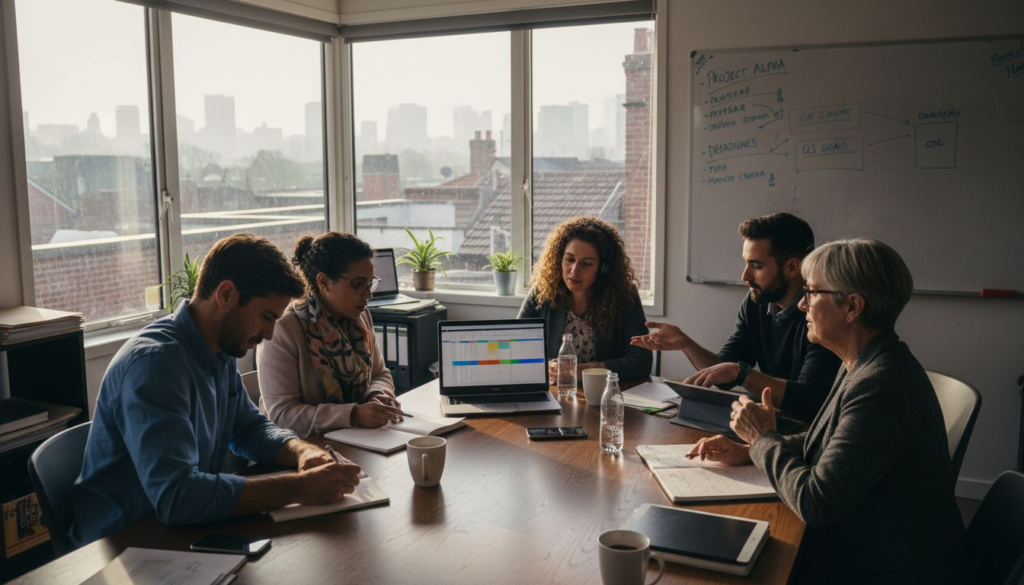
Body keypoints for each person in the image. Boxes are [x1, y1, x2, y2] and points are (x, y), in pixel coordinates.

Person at [689, 239, 964, 584]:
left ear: (852, 306)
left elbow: (815, 503)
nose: (802, 304)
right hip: (863, 541)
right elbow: (832, 441)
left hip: (884, 565)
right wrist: (749, 451)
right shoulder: (863, 361)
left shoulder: (882, 385)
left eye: (812, 292)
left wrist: (762, 439)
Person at [71, 234, 362, 548]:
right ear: (226, 294)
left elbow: (249, 428)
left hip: (179, 530)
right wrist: (300, 488)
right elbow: (177, 497)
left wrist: (303, 452)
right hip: (124, 544)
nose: (270, 333)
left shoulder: (219, 348)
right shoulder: (156, 366)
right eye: (266, 317)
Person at [631, 212, 840, 421]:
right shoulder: (755, 302)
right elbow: (723, 373)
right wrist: (686, 344)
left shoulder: (823, 314)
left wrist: (741, 373)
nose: (745, 276)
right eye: (746, 263)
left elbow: (808, 399)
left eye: (756, 266)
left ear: (792, 267)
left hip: (811, 431)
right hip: (775, 422)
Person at [257, 232, 401, 438]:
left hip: (357, 439)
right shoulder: (285, 328)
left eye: (370, 284)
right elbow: (281, 415)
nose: (368, 295)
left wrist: (379, 395)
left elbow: (380, 374)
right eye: (358, 284)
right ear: (323, 282)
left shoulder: (361, 317)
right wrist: (353, 415)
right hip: (299, 449)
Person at [518, 216, 652, 381]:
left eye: (586, 263)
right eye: (569, 259)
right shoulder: (541, 294)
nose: (574, 271)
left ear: (604, 268)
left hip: (603, 394)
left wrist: (583, 370)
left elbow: (641, 362)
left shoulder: (624, 297)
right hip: (556, 392)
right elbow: (518, 349)